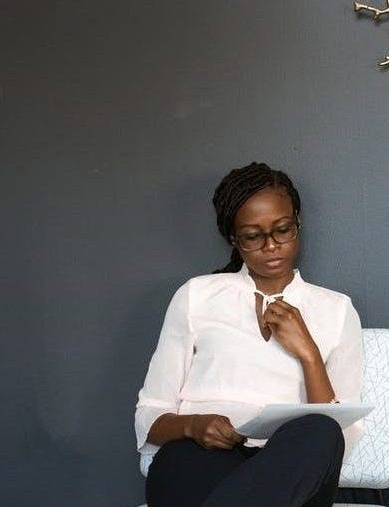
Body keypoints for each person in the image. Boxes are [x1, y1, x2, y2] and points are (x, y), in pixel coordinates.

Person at [135, 162, 363, 507]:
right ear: (233, 238)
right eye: (254, 236)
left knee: (322, 432)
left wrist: (309, 354)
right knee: (180, 458)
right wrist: (194, 426)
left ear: (297, 223)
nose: (271, 246)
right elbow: (149, 417)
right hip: (202, 460)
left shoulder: (337, 309)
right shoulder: (196, 295)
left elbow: (341, 439)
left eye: (283, 230)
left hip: (290, 470)